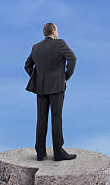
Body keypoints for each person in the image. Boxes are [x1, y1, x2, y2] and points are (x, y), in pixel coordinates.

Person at [24, 23, 77, 161]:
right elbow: (72, 58)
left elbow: (27, 65)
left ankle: (40, 153)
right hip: (57, 87)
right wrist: (66, 76)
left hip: (40, 88)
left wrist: (37, 77)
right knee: (56, 118)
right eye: (57, 30)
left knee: (41, 119)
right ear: (53, 31)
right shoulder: (59, 44)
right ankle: (58, 152)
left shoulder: (36, 47)